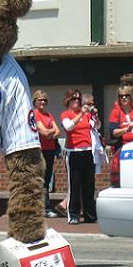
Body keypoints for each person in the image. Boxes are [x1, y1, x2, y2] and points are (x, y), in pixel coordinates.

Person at [60, 88, 98, 224]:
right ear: (68, 101)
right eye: (74, 99)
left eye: (78, 99)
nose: (77, 101)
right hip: (74, 152)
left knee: (89, 185)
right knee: (74, 185)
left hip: (88, 151)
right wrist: (81, 114)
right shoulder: (66, 114)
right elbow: (68, 127)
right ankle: (73, 215)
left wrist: (94, 115)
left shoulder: (86, 115)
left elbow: (96, 126)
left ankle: (90, 215)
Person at [33, 89, 60, 218]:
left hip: (50, 150)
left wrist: (50, 133)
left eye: (44, 100)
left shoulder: (48, 115)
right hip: (40, 151)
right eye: (40, 100)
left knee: (47, 179)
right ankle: (40, 208)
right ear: (35, 102)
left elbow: (58, 131)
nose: (42, 102)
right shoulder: (35, 114)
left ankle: (46, 208)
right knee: (39, 179)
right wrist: (50, 132)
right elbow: (43, 132)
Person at [107, 86, 133, 151]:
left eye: (126, 95)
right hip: (122, 148)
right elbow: (113, 132)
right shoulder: (115, 112)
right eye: (121, 96)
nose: (124, 98)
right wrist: (127, 129)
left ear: (131, 97)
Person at [82, 93, 107, 174]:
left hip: (94, 146)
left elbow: (98, 126)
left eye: (93, 104)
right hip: (83, 147)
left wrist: (95, 116)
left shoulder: (92, 115)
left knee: (92, 172)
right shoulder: (80, 115)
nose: (91, 106)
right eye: (89, 104)